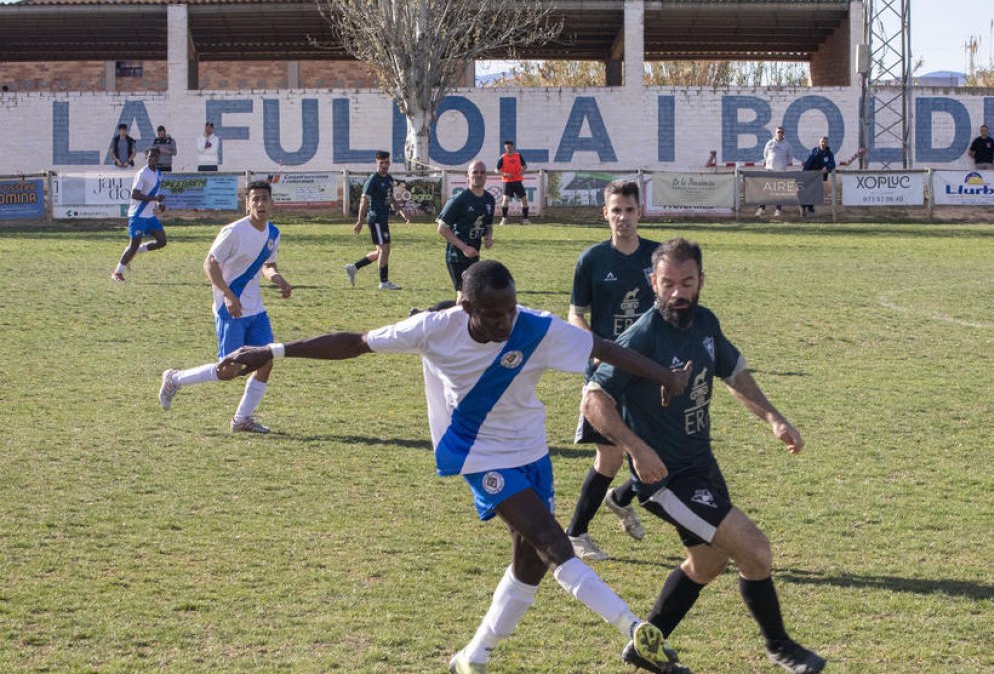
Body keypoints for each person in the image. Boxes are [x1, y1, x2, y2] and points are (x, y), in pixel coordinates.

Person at [219, 259, 693, 674]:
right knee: (552, 542)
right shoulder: (434, 328)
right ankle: (636, 631)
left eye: (510, 309)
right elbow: (355, 343)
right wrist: (272, 351)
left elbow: (602, 348)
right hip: (476, 453)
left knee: (529, 563)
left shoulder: (536, 327)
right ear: (466, 307)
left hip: (530, 451)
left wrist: (665, 376)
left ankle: (472, 657)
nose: (505, 321)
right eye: (493, 313)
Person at [583, 237, 827, 674]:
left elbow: (734, 374)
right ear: (653, 283)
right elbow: (594, 399)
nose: (678, 292)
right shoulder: (642, 336)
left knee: (708, 562)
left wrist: (773, 418)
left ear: (701, 280)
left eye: (687, 282)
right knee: (755, 550)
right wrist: (637, 450)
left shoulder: (706, 323)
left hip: (701, 466)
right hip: (666, 479)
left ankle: (646, 644)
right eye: (668, 283)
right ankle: (780, 646)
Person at [565, 180, 659, 562]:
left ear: (641, 212)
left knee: (665, 446)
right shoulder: (592, 259)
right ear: (605, 213)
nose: (623, 217)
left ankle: (620, 497)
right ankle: (576, 534)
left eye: (629, 210)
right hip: (606, 372)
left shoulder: (658, 256)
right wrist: (594, 347)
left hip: (649, 368)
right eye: (616, 210)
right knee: (611, 456)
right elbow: (575, 314)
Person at [157, 180, 292, 434]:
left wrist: (278, 279)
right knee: (229, 370)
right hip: (230, 308)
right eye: (255, 199)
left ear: (272, 203)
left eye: (264, 198)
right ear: (247, 203)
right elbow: (210, 264)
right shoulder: (233, 231)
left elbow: (267, 265)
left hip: (256, 309)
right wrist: (228, 295)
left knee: (266, 360)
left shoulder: (273, 233)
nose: (260, 204)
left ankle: (241, 419)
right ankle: (175, 378)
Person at [437, 160, 494, 302]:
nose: (478, 175)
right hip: (457, 255)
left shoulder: (489, 200)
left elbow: (488, 225)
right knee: (464, 296)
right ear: (467, 175)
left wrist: (488, 236)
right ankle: (431, 312)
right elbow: (442, 228)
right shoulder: (459, 199)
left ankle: (428, 311)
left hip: (474, 254)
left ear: (486, 176)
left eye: (482, 172)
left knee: (472, 296)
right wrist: (464, 247)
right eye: (475, 172)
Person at [345, 150, 402, 290]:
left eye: (386, 162)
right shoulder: (373, 180)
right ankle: (384, 282)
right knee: (384, 250)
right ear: (376, 163)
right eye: (381, 163)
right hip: (375, 219)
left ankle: (354, 267)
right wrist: (360, 221)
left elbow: (390, 197)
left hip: (383, 219)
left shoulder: (389, 179)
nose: (384, 165)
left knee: (383, 250)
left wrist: (400, 211)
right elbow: (363, 201)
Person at [111, 148, 168, 282]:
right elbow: (135, 194)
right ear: (146, 158)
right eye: (150, 156)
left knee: (162, 241)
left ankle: (138, 250)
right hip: (137, 215)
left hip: (149, 216)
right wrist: (155, 199)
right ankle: (117, 273)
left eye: (155, 156)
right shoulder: (142, 173)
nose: (153, 158)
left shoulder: (158, 173)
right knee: (133, 245)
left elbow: (153, 194)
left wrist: (158, 205)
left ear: (159, 158)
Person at [755, 126, 794, 219]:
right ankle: (762, 208)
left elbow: (790, 157)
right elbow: (765, 154)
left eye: (781, 132)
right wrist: (770, 162)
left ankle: (778, 209)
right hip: (769, 170)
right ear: (775, 133)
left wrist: (782, 164)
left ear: (783, 134)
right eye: (778, 132)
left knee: (778, 191)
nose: (780, 134)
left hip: (780, 171)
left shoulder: (787, 145)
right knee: (766, 190)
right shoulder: (770, 143)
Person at [800, 136, 836, 216]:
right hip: (810, 174)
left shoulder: (829, 154)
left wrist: (827, 167)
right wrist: (804, 173)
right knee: (807, 190)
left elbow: (833, 164)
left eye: (825, 142)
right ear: (819, 143)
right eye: (822, 142)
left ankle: (810, 207)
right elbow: (808, 162)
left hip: (820, 176)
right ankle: (804, 207)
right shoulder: (814, 151)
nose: (823, 143)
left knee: (814, 191)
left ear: (827, 143)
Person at [496, 140, 530, 225]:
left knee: (524, 199)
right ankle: (504, 219)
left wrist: (522, 171)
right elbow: (496, 170)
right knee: (505, 200)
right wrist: (505, 174)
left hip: (517, 181)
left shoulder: (518, 155)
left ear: (513, 147)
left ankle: (525, 219)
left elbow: (525, 166)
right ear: (505, 148)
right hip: (507, 182)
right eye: (507, 147)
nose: (509, 149)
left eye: (510, 147)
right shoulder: (503, 157)